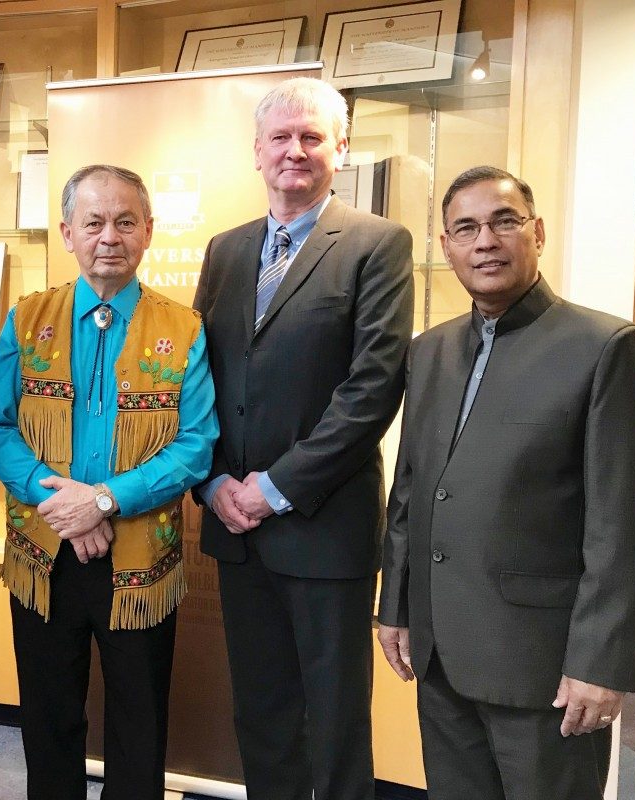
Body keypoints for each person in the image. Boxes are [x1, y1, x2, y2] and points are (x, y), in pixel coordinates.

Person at [377, 165, 635, 799]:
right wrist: (396, 607)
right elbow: (412, 492)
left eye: (503, 222)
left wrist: (602, 662)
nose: (485, 240)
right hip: (441, 656)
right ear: (448, 246)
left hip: (547, 670)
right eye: (465, 228)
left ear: (537, 233)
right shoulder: (428, 351)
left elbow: (628, 526)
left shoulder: (610, 348)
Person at [193, 76, 414, 799]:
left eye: (311, 137)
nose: (295, 151)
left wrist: (274, 488)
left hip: (324, 530)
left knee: (335, 719)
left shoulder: (378, 245)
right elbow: (201, 383)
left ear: (340, 150)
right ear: (256, 151)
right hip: (237, 526)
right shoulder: (225, 251)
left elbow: (371, 389)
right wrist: (217, 480)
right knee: (260, 712)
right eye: (281, 137)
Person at [0, 164, 218, 799]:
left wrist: (106, 500)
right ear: (67, 232)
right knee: (48, 716)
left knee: (138, 724)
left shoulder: (184, 329)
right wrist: (58, 499)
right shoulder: (28, 319)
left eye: (124, 222)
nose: (108, 236)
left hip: (137, 556)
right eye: (93, 222)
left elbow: (197, 444)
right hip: (45, 549)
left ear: (148, 233)